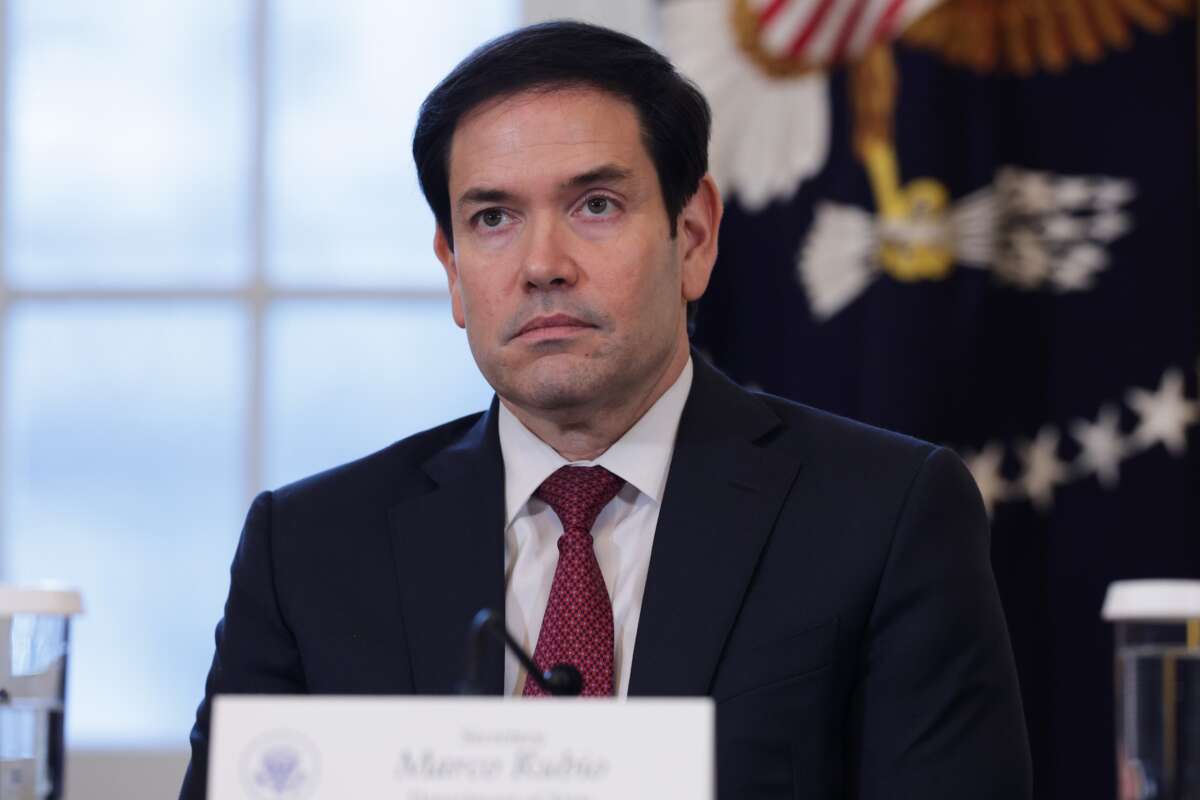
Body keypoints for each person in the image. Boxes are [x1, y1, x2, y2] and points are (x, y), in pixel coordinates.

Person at [180, 20, 1031, 799]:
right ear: (451, 268)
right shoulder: (310, 550)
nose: (543, 263)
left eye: (595, 205)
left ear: (693, 236)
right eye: (493, 217)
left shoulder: (883, 516)